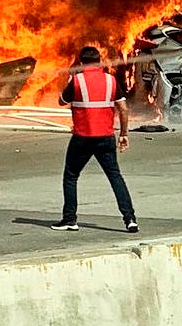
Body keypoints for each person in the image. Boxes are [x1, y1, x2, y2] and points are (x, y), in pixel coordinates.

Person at [51, 46, 138, 233]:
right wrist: (124, 134)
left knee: (71, 176)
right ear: (99, 61)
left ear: (81, 63)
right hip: (106, 137)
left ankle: (70, 219)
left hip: (82, 138)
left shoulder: (77, 80)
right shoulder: (111, 81)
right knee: (115, 176)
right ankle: (130, 219)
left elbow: (61, 101)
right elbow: (123, 109)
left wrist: (68, 81)